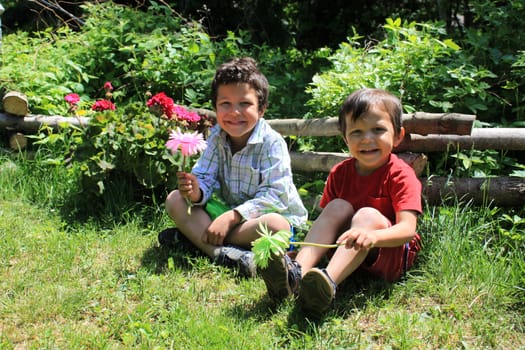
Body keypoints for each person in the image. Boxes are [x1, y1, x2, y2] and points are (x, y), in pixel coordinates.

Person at [259, 88, 422, 317]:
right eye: (357, 132)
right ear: (345, 138)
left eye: (378, 130)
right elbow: (329, 223)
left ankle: (326, 284)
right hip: (349, 248)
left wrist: (373, 236)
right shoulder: (340, 172)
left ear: (397, 136)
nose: (367, 139)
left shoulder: (400, 174)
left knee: (367, 215)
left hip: (388, 253)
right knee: (337, 206)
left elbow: (407, 229)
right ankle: (296, 275)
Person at [159, 57, 308, 278]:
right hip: (230, 218)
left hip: (259, 220)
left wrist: (232, 217)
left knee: (277, 225)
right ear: (216, 108)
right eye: (225, 104)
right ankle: (227, 254)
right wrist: (196, 190)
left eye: (245, 104)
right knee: (175, 199)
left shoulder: (271, 142)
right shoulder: (217, 137)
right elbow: (205, 176)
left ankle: (197, 239)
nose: (234, 112)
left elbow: (275, 195)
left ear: (262, 109)